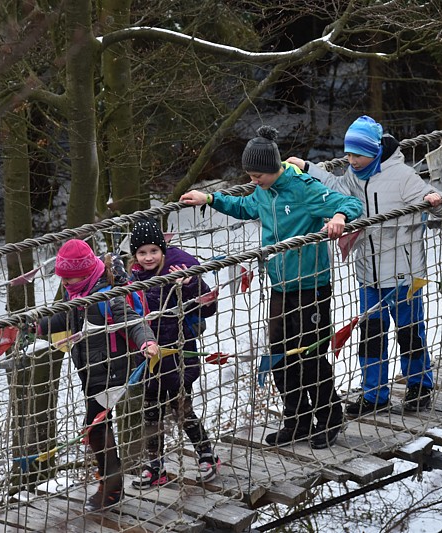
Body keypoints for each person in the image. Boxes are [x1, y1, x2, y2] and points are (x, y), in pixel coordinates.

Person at [180, 125, 363, 449]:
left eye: (257, 175)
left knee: (310, 355)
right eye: (250, 175)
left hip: (311, 286)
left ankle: (329, 416)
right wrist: (208, 198)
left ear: (272, 168)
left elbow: (350, 204)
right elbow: (245, 207)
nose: (254, 181)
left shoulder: (303, 187)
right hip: (279, 286)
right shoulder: (263, 191)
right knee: (280, 354)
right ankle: (297, 419)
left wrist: (337, 216)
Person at [287, 115, 442, 415]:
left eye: (357, 155)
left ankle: (419, 386)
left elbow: (433, 199)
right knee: (371, 336)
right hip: (368, 275)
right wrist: (307, 167)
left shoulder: (401, 175)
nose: (351, 160)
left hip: (404, 274)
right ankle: (374, 394)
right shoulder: (354, 175)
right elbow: (335, 186)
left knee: (409, 331)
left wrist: (434, 201)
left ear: (374, 151)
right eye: (348, 155)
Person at [38, 239, 160, 511]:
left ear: (85, 272)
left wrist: (146, 341)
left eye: (71, 279)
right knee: (96, 426)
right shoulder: (77, 292)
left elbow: (132, 321)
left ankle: (112, 487)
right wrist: (36, 325)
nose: (66, 284)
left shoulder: (106, 294)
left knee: (94, 426)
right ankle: (110, 482)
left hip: (113, 369)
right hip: (92, 370)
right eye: (64, 279)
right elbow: (66, 319)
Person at [127, 218, 220, 487]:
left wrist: (190, 285)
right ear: (135, 255)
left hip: (177, 355)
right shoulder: (132, 282)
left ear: (162, 251)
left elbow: (207, 308)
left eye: (153, 251)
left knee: (182, 410)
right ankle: (155, 466)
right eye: (142, 252)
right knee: (151, 414)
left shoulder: (177, 274)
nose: (148, 257)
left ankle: (206, 454)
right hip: (147, 359)